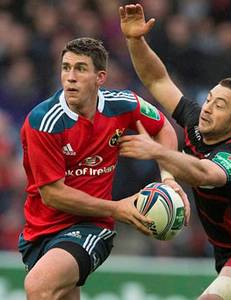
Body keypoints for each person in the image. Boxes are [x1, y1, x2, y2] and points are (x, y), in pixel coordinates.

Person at [119, 4, 231, 300]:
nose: (207, 108)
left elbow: (205, 172)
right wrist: (135, 41)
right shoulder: (196, 121)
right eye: (210, 99)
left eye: (220, 106)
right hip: (226, 249)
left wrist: (159, 152)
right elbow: (158, 80)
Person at [18, 37, 189, 300]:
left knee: (39, 286)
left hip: (91, 225)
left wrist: (168, 178)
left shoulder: (123, 104)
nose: (70, 77)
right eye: (66, 67)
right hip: (40, 230)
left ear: (100, 77)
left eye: (80, 69)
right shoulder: (44, 121)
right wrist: (119, 208)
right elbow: (53, 195)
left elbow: (163, 128)